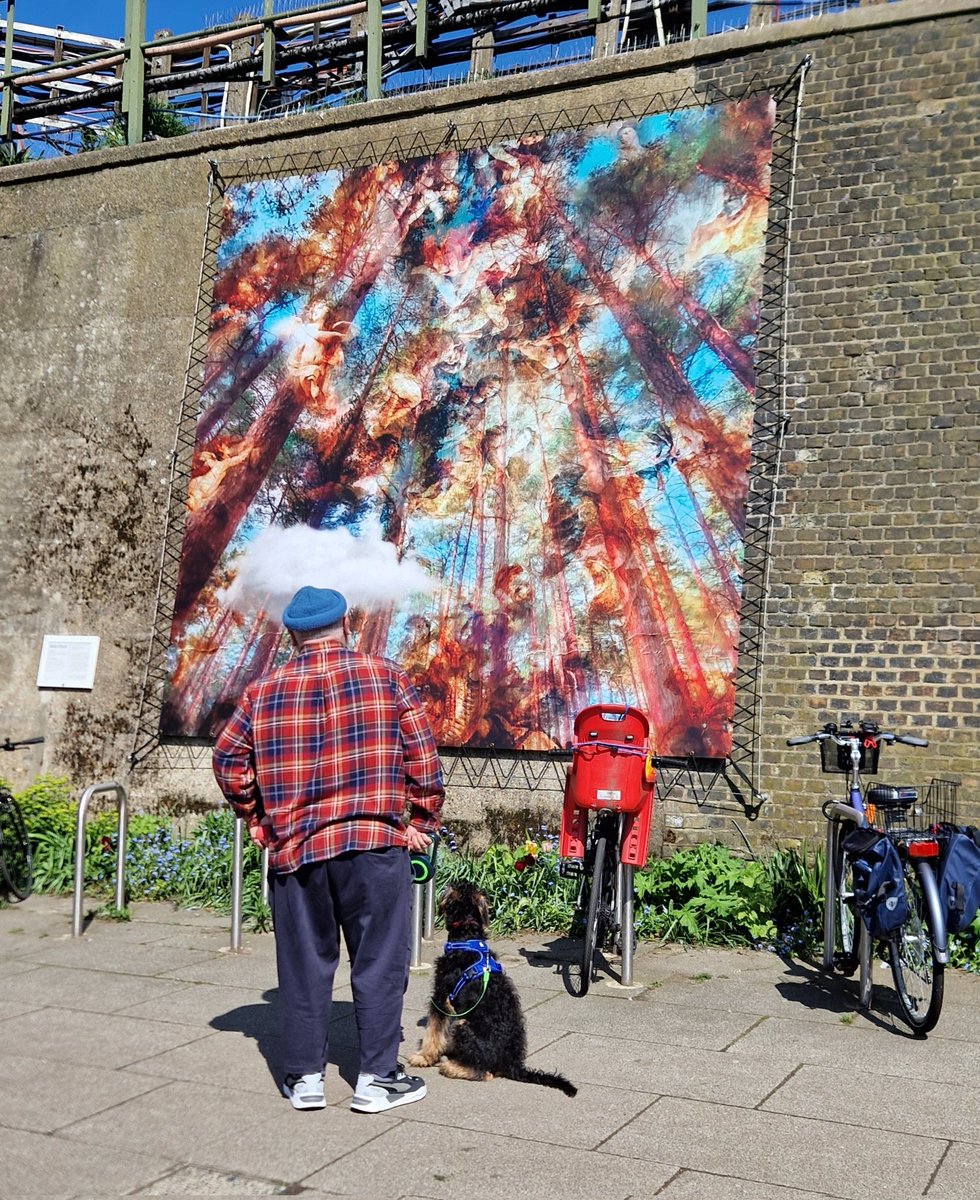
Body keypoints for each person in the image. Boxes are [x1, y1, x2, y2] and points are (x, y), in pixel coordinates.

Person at [212, 585, 444, 1113]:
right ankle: (377, 1079)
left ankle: (305, 1080)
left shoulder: (263, 690)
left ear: (292, 633)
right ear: (347, 624)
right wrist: (421, 820)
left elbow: (227, 760)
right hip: (374, 848)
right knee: (380, 964)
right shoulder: (386, 677)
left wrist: (255, 816)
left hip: (296, 852)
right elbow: (424, 760)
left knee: (303, 964)